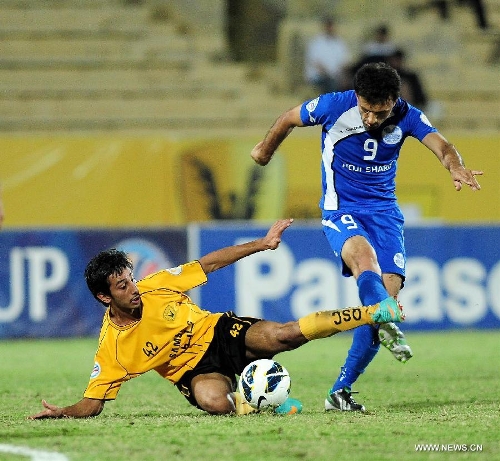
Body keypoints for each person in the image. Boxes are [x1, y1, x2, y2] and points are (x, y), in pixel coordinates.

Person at [251, 62, 482, 412]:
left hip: (386, 214)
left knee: (381, 300)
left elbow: (442, 145)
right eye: (366, 111)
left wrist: (455, 165)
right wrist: (264, 151)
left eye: (381, 112)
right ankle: (385, 317)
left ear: (394, 100)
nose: (373, 120)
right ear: (357, 97)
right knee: (365, 262)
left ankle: (340, 391)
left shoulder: (408, 116)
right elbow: (287, 118)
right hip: (341, 207)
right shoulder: (333, 104)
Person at [28, 219, 404, 419]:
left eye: (131, 279)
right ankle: (261, 402)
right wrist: (63, 412)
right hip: (191, 371)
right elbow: (93, 403)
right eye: (122, 287)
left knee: (284, 334)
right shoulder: (113, 348)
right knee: (216, 403)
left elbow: (210, 263)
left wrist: (262, 243)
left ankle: (375, 311)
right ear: (104, 297)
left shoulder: (157, 285)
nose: (134, 289)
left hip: (218, 331)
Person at [304, 16, 351, 94]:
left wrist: (344, 76)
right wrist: (330, 75)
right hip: (319, 77)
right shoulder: (316, 43)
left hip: (336, 77)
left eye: (332, 26)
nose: (331, 28)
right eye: (328, 26)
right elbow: (316, 65)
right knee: (331, 84)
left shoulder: (339, 43)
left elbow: (345, 62)